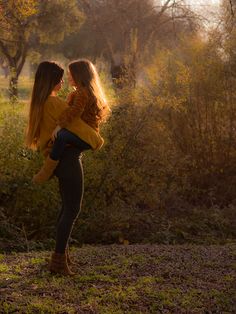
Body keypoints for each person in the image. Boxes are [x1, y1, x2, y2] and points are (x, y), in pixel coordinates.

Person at [25, 60, 109, 275]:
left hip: (63, 158)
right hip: (68, 159)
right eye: (60, 78)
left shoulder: (43, 102)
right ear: (52, 81)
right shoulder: (54, 103)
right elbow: (79, 127)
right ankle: (58, 261)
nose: (63, 82)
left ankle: (63, 256)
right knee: (72, 209)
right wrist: (97, 140)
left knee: (66, 208)